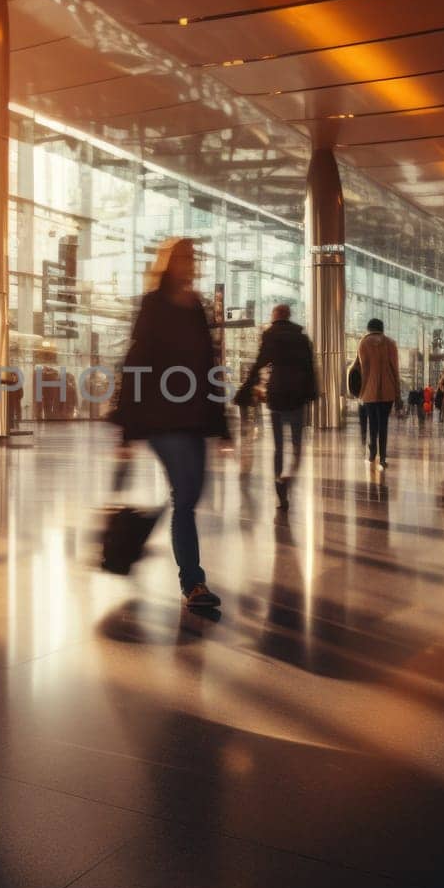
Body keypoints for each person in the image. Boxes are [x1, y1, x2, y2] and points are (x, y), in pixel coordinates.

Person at [110, 237, 226, 610]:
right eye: (183, 257)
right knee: (186, 498)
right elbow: (135, 362)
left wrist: (221, 425)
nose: (190, 263)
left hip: (193, 418)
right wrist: (127, 429)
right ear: (168, 262)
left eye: (193, 257)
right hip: (162, 419)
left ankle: (162, 549)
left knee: (189, 495)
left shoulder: (197, 308)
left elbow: (210, 370)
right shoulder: (153, 306)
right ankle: (193, 581)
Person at [245, 303, 317, 510]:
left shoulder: (270, 335)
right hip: (297, 396)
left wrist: (247, 387)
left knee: (278, 447)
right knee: (296, 445)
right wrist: (311, 393)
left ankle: (279, 487)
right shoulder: (302, 338)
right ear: (289, 316)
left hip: (276, 395)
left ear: (275, 316)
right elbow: (310, 368)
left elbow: (260, 363)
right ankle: (288, 476)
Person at [354, 317, 400, 468]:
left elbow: (364, 370)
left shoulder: (363, 342)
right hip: (388, 392)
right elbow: (395, 371)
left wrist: (361, 392)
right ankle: (383, 457)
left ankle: (372, 451)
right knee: (383, 424)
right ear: (382, 328)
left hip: (369, 392)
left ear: (369, 328)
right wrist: (398, 393)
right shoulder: (391, 343)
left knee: (372, 423)